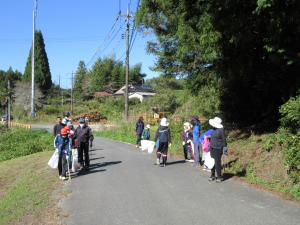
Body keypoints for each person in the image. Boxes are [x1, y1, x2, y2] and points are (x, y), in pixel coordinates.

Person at [208, 117, 227, 182]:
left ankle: (219, 176)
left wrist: (225, 149)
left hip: (218, 148)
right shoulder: (214, 129)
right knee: (211, 162)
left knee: (217, 163)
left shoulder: (221, 130)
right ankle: (212, 175)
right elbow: (214, 137)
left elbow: (224, 140)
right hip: (212, 147)